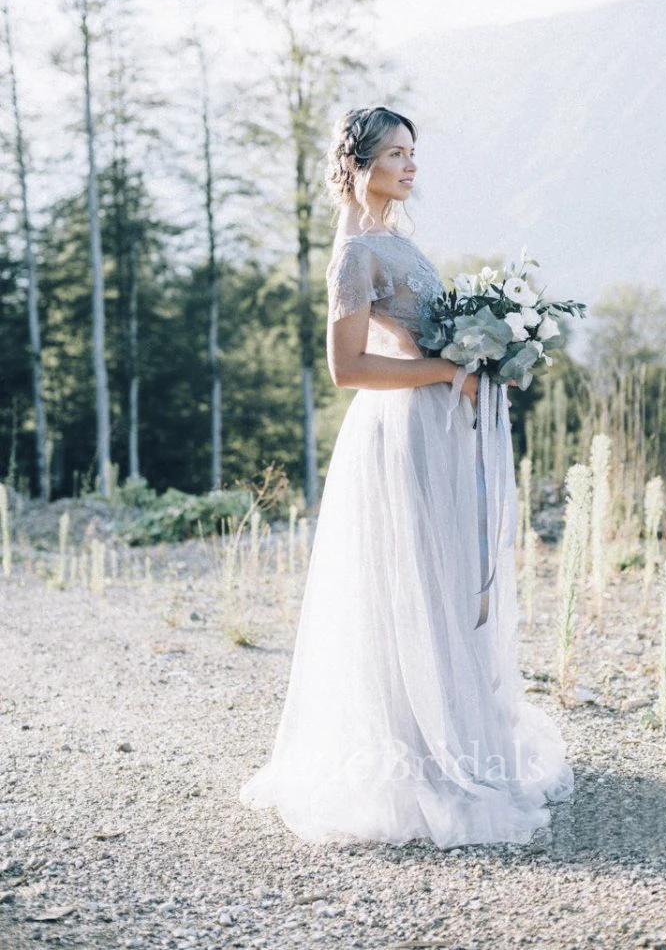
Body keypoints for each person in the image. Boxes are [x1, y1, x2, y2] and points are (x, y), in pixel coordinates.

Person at [238, 105, 574, 848]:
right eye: (395, 153)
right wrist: (447, 371)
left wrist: (485, 355)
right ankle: (412, 750)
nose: (410, 164)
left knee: (445, 575)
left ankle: (454, 728)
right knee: (412, 575)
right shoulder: (355, 256)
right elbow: (347, 367)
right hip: (400, 428)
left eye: (412, 151)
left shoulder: (395, 237)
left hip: (437, 422)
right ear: (358, 164)